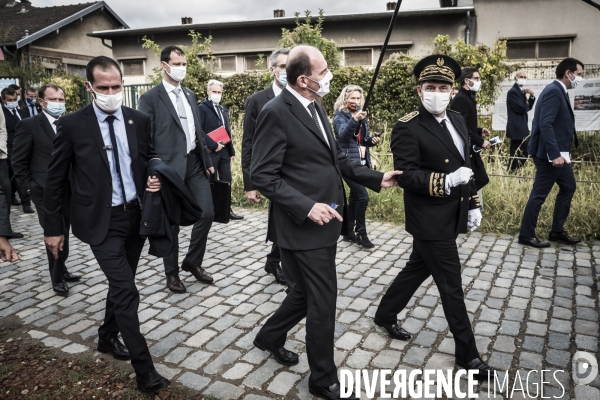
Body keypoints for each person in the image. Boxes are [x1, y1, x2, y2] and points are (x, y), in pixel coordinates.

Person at [250, 45, 401, 400]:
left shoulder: (315, 106)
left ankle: (269, 336)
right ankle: (322, 379)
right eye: (323, 72)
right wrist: (306, 207)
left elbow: (335, 161)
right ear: (303, 79)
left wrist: (375, 177)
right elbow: (262, 175)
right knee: (322, 300)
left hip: (328, 219)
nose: (329, 76)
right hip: (303, 227)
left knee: (302, 294)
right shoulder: (276, 112)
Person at [43, 56, 170, 392]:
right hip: (100, 222)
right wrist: (53, 228)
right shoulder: (71, 125)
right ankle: (145, 371)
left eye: (117, 86)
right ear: (90, 87)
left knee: (122, 283)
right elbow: (54, 182)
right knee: (127, 290)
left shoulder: (138, 120)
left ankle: (105, 338)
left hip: (135, 217)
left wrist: (154, 175)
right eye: (104, 88)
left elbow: (149, 157)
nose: (112, 93)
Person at [375, 54, 493, 381]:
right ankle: (468, 356)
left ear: (453, 90)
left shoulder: (456, 119)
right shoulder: (407, 126)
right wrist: (446, 181)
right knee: (451, 287)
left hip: (452, 212)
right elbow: (407, 175)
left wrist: (473, 202)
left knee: (418, 267)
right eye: (431, 87)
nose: (437, 92)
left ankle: (385, 313)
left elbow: (469, 162)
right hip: (429, 219)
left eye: (443, 87)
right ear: (419, 90)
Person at [138, 45, 215, 293]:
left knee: (207, 213)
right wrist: (152, 171)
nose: (182, 68)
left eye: (184, 63)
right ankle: (171, 274)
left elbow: (197, 133)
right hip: (168, 169)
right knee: (170, 222)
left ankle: (192, 261)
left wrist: (208, 162)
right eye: (177, 63)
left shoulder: (190, 95)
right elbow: (143, 140)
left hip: (194, 163)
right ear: (164, 65)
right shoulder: (150, 98)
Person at [13, 84, 81, 297]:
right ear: (42, 102)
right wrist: (29, 190)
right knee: (54, 232)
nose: (58, 104)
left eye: (61, 100)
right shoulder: (29, 125)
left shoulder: (68, 124)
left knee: (65, 232)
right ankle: (57, 278)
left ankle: (63, 267)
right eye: (53, 99)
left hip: (68, 189)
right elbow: (18, 162)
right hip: (43, 191)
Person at [518, 58, 584, 248]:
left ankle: (556, 231)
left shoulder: (558, 90)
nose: (579, 78)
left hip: (559, 153)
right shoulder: (554, 91)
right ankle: (526, 235)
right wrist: (554, 154)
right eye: (578, 74)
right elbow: (545, 124)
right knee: (539, 194)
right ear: (568, 73)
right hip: (548, 154)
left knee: (569, 186)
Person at [242, 47, 290, 285]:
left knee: (290, 218)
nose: (286, 70)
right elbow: (248, 143)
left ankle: (274, 261)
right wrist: (250, 184)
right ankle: (277, 262)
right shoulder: (257, 101)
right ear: (272, 70)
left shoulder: (301, 96)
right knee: (282, 218)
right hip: (271, 174)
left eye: (290, 66)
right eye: (282, 66)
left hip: (294, 171)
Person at [333, 85, 381, 248]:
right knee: (362, 196)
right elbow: (343, 136)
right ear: (345, 99)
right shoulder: (340, 117)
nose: (355, 101)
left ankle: (348, 231)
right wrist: (355, 120)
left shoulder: (362, 116)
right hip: (347, 163)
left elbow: (362, 140)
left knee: (355, 196)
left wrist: (371, 141)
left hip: (360, 162)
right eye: (352, 98)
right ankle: (361, 232)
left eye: (358, 98)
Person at [197, 79, 243, 220]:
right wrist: (213, 145)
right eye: (214, 92)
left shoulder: (223, 109)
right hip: (211, 151)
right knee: (212, 181)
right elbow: (199, 131)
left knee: (226, 180)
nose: (217, 94)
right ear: (208, 92)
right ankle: (210, 211)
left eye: (219, 92)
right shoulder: (201, 108)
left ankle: (226, 210)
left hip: (224, 152)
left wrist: (231, 151)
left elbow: (226, 131)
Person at [451, 67, 491, 191]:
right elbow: (459, 127)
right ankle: (462, 202)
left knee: (478, 179)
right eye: (476, 78)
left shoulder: (468, 97)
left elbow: (466, 124)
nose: (479, 81)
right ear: (466, 81)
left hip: (470, 147)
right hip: (464, 149)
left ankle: (467, 204)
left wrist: (479, 131)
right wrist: (480, 141)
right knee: (479, 179)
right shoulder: (461, 99)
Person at [1, 88, 33, 217]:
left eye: (15, 99)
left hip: (25, 147)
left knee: (22, 175)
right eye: (10, 100)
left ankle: (26, 203)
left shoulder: (23, 112)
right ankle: (18, 200)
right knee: (12, 177)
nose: (13, 102)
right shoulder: (2, 113)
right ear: (3, 100)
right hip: (9, 148)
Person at [506, 71, 536, 171]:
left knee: (517, 151)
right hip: (517, 127)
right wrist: (525, 104)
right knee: (524, 150)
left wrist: (531, 96)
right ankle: (513, 170)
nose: (523, 78)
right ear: (515, 78)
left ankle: (513, 171)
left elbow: (528, 107)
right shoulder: (513, 91)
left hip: (520, 126)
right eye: (521, 77)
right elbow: (521, 109)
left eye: (524, 77)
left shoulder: (521, 91)